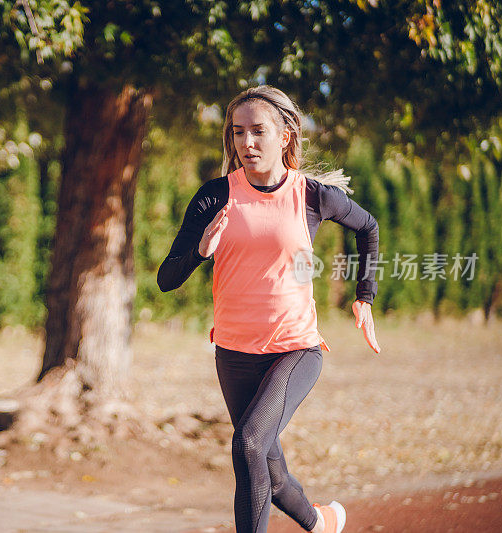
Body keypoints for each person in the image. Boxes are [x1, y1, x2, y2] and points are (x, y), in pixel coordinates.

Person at [157, 85, 380, 533]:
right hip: (234, 353)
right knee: (269, 471)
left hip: (294, 349)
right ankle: (320, 522)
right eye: (238, 132)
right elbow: (167, 278)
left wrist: (365, 296)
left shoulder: (313, 196)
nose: (247, 143)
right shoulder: (214, 196)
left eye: (258, 131)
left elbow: (368, 227)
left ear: (285, 135)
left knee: (249, 444)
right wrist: (201, 251)